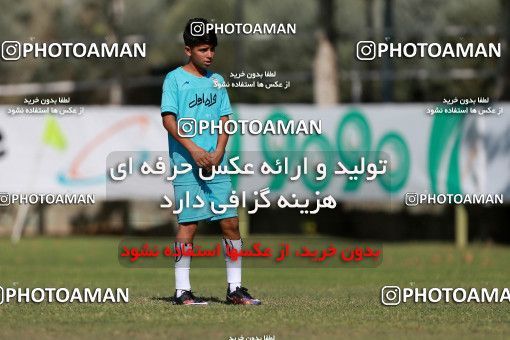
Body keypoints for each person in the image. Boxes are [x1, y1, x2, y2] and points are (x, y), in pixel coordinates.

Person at [160, 18, 261, 306]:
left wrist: (217, 153)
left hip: (216, 164)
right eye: (204, 49)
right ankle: (182, 291)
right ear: (188, 50)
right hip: (186, 162)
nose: (210, 54)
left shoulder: (217, 82)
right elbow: (169, 119)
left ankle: (235, 289)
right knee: (189, 224)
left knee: (230, 222)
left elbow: (225, 120)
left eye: (212, 49)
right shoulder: (174, 79)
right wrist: (193, 150)